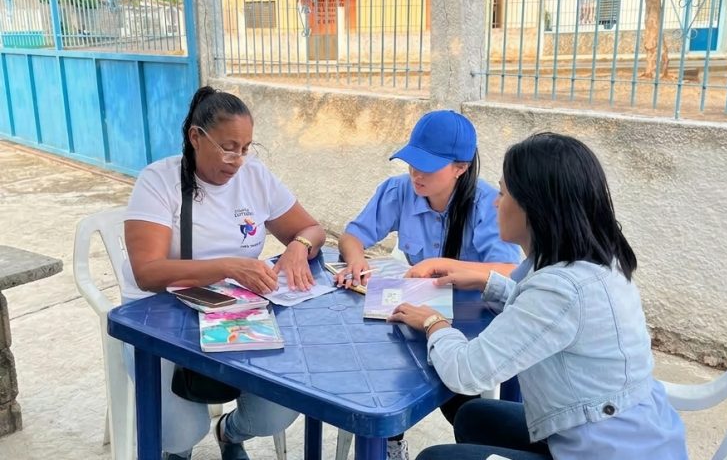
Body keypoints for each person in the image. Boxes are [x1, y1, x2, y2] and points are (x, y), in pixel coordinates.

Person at [388, 132, 689, 460]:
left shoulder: (561, 289)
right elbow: (551, 318)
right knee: (475, 416)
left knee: (435, 459)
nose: (494, 203)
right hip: (624, 430)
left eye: (503, 194)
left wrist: (433, 323)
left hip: (605, 450)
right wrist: (484, 280)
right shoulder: (590, 258)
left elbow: (467, 371)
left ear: (534, 208)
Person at [122, 86, 326, 460]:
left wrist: (298, 246)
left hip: (234, 312)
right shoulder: (159, 180)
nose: (238, 159)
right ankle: (177, 451)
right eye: (229, 147)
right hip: (161, 317)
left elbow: (313, 230)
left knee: (280, 408)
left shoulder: (256, 178)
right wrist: (230, 266)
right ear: (196, 137)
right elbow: (146, 272)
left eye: (247, 148)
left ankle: (230, 432)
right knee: (180, 432)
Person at [335, 109, 523, 459]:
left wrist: (444, 264)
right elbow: (353, 235)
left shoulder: (488, 204)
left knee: (460, 399)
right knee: (380, 365)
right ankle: (390, 440)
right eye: (411, 162)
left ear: (460, 167)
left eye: (428, 166)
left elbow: (510, 268)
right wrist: (356, 259)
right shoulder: (399, 190)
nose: (416, 174)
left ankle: (479, 449)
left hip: (471, 321)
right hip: (416, 308)